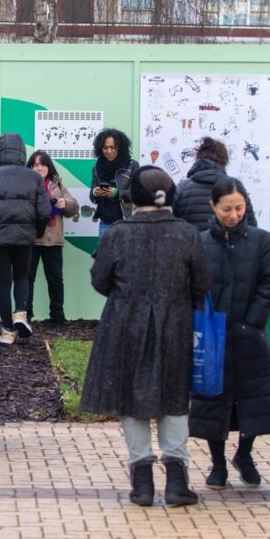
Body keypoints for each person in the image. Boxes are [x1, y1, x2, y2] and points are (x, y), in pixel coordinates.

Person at [80, 166, 208, 507]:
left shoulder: (118, 233)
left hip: (125, 324)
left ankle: (142, 482)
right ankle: (178, 480)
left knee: (131, 398)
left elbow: (100, 281)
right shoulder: (187, 233)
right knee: (175, 399)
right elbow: (201, 284)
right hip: (176, 324)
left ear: (132, 196)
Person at [189, 177, 270, 490]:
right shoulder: (200, 243)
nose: (233, 214)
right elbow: (189, 286)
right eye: (226, 208)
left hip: (249, 335)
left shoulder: (261, 241)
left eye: (239, 208)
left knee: (253, 400)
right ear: (213, 207)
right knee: (211, 402)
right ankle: (217, 464)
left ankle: (245, 454)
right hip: (212, 337)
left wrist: (253, 321)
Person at [0, 132, 51, 345]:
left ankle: (7, 331)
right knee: (22, 276)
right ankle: (20, 313)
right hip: (25, 236)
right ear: (22, 152)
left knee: (4, 281)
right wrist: (37, 231)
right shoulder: (33, 177)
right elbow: (44, 211)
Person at [25, 150, 79, 324]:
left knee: (55, 279)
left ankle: (57, 316)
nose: (39, 168)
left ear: (49, 167)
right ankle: (26, 315)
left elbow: (74, 207)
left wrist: (65, 203)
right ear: (30, 167)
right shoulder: (24, 184)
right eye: (35, 164)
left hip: (53, 240)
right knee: (27, 279)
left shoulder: (57, 184)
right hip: (30, 239)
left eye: (43, 164)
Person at [173, 137, 257, 230]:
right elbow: (251, 229)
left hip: (190, 244)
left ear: (198, 159)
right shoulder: (236, 189)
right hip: (230, 244)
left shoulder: (181, 189)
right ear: (224, 162)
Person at [90, 128, 139, 237]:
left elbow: (138, 194)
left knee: (127, 254)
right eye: (105, 148)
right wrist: (95, 193)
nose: (109, 151)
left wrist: (118, 193)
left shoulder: (132, 165)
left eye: (113, 147)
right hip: (105, 222)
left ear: (120, 147)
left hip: (127, 221)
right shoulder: (97, 167)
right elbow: (92, 197)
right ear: (100, 148)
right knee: (104, 254)